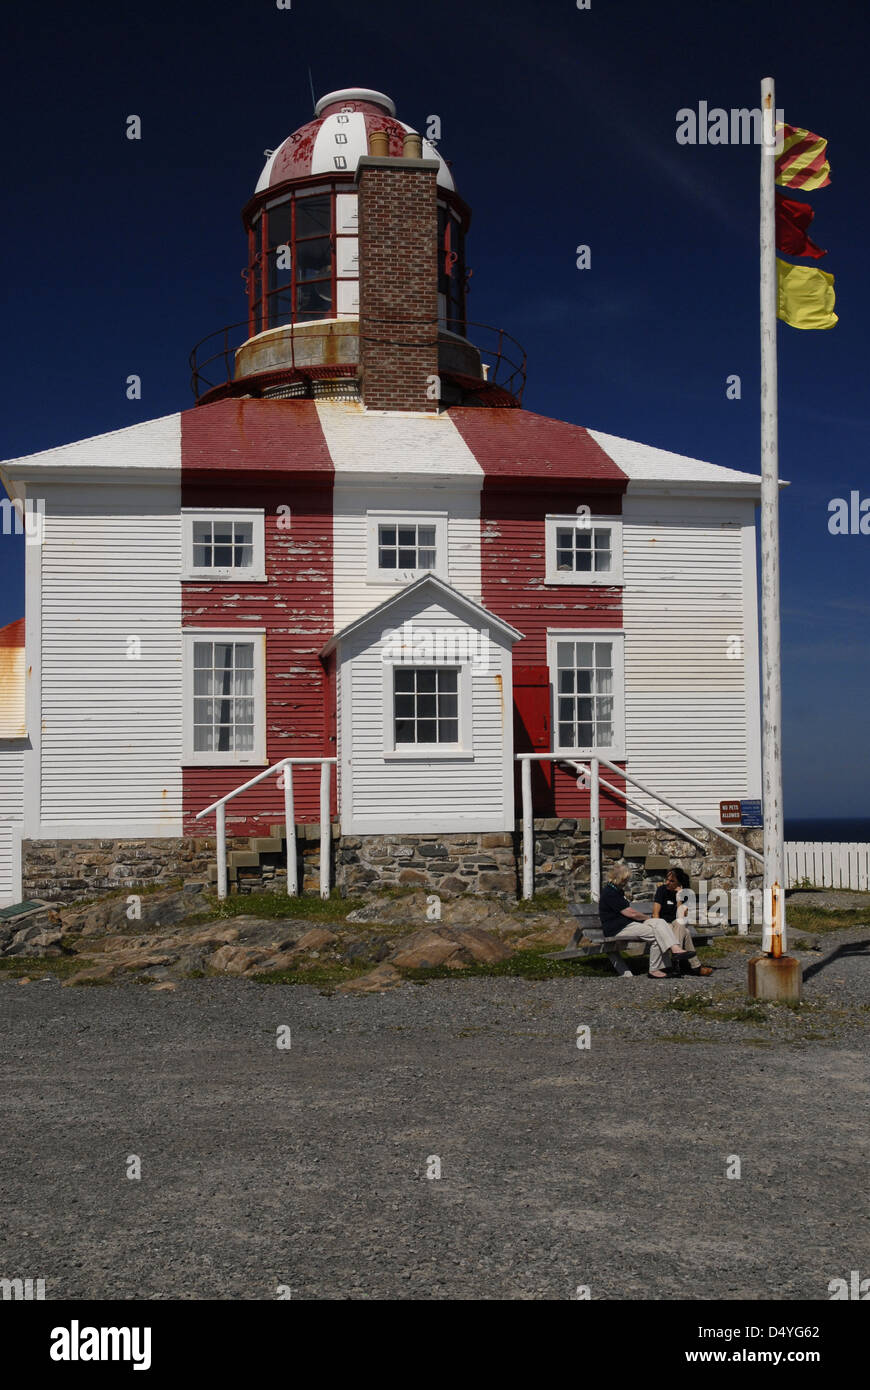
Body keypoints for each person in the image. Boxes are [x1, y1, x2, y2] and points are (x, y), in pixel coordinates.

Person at [598, 864, 690, 979]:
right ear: (620, 879)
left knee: (659, 922)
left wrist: (651, 920)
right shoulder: (610, 893)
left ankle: (675, 950)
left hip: (628, 924)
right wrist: (648, 918)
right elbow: (631, 914)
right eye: (625, 879)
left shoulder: (616, 890)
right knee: (658, 934)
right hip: (618, 928)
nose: (627, 882)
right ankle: (656, 969)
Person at [652, 867, 713, 977]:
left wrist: (679, 898)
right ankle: (695, 967)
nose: (667, 883)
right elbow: (655, 913)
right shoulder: (661, 890)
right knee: (686, 932)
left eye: (671, 881)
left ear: (679, 883)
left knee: (681, 925)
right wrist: (657, 927)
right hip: (663, 924)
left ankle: (676, 962)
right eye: (667, 879)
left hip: (676, 925)